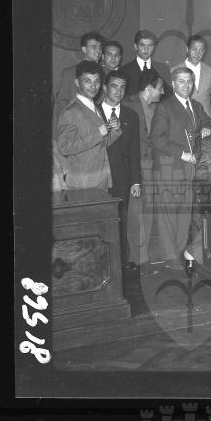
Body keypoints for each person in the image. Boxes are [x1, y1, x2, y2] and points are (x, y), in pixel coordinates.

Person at [150, 67, 211, 269]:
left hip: (189, 168)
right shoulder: (165, 107)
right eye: (182, 81)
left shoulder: (196, 105)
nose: (186, 85)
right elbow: (156, 139)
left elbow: (208, 121)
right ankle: (170, 256)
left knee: (184, 214)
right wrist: (181, 153)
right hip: (170, 166)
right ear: (173, 84)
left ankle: (178, 252)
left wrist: (207, 127)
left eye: (189, 81)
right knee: (168, 214)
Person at [98, 70, 141, 271]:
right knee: (100, 219)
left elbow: (134, 151)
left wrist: (136, 181)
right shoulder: (93, 111)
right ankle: (102, 263)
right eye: (114, 86)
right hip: (98, 175)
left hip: (122, 176)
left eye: (123, 87)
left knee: (121, 219)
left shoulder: (131, 115)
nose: (118, 91)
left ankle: (121, 261)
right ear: (105, 88)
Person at [122, 69, 164, 270]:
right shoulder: (128, 105)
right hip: (134, 168)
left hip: (152, 167)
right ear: (149, 89)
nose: (162, 92)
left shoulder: (157, 108)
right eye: (160, 88)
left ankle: (142, 257)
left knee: (147, 213)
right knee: (135, 214)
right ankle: (135, 258)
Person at [56, 61, 121, 190]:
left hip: (101, 180)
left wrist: (115, 130)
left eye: (97, 81)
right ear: (77, 83)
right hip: (82, 183)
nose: (93, 86)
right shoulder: (70, 112)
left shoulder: (95, 108)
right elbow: (64, 147)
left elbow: (100, 144)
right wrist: (98, 133)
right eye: (87, 81)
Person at [53, 31, 104, 128]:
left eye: (100, 48)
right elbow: (62, 102)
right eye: (93, 47)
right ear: (84, 49)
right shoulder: (70, 72)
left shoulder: (104, 73)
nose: (98, 51)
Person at [170, 34, 211, 120]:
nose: (197, 53)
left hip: (206, 120)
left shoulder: (210, 71)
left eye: (201, 50)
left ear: (204, 51)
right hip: (182, 119)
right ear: (187, 49)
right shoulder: (173, 71)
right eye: (194, 49)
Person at [119, 29, 172, 98]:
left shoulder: (163, 69)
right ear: (135, 46)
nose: (146, 49)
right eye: (142, 45)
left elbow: (168, 95)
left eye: (150, 45)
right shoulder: (124, 70)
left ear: (154, 47)